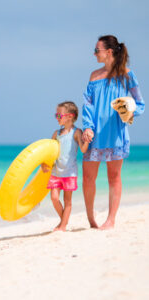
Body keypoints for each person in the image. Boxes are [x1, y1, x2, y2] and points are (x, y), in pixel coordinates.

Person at [82, 35, 145, 230]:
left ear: (108, 52)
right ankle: (91, 219)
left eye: (97, 50)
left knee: (114, 177)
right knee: (88, 178)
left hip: (116, 133)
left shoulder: (127, 75)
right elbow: (88, 105)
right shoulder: (94, 76)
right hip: (94, 135)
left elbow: (140, 103)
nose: (94, 54)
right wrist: (87, 127)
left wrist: (130, 110)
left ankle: (111, 219)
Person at [42, 101, 89, 231]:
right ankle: (64, 221)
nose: (56, 117)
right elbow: (49, 153)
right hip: (56, 172)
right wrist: (44, 164)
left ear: (69, 116)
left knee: (67, 201)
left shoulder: (76, 132)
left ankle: (62, 225)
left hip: (69, 173)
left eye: (59, 115)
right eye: (56, 115)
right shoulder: (56, 134)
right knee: (54, 198)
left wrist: (88, 141)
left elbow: (83, 149)